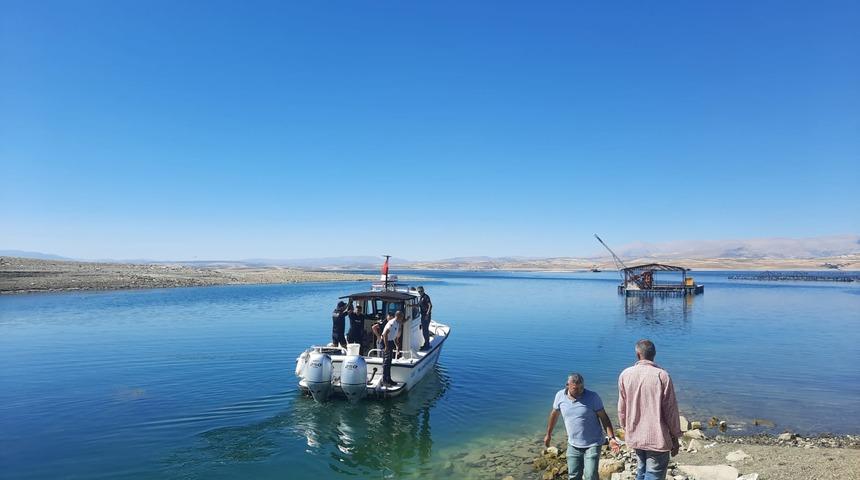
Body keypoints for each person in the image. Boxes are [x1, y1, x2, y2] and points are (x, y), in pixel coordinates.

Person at [618, 339, 682, 480]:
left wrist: (625, 427)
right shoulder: (662, 376)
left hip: (635, 434)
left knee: (641, 470)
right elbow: (670, 410)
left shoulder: (625, 375)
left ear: (637, 354)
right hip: (656, 436)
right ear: (654, 354)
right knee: (653, 474)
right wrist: (675, 436)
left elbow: (622, 408)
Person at [544, 373, 620, 480]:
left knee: (590, 476)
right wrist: (548, 434)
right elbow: (554, 415)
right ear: (567, 385)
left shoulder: (593, 397)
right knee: (573, 476)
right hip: (573, 444)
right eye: (576, 388)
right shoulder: (560, 396)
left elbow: (604, 418)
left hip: (593, 443)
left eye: (582, 387)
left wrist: (611, 438)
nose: (580, 391)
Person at [380, 310, 405, 387]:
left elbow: (393, 335)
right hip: (385, 342)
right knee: (386, 362)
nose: (402, 319)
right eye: (402, 317)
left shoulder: (397, 323)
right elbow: (385, 335)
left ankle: (389, 379)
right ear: (398, 316)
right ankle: (384, 380)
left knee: (389, 362)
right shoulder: (392, 323)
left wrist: (397, 345)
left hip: (390, 342)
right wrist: (386, 346)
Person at [417, 286, 433, 351]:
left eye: (421, 291)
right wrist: (411, 306)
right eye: (419, 291)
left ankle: (427, 345)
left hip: (426, 316)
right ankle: (426, 344)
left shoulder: (426, 297)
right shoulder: (420, 298)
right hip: (423, 316)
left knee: (425, 331)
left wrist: (427, 314)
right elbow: (419, 305)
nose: (420, 292)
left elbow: (430, 305)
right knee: (424, 330)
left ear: (423, 290)